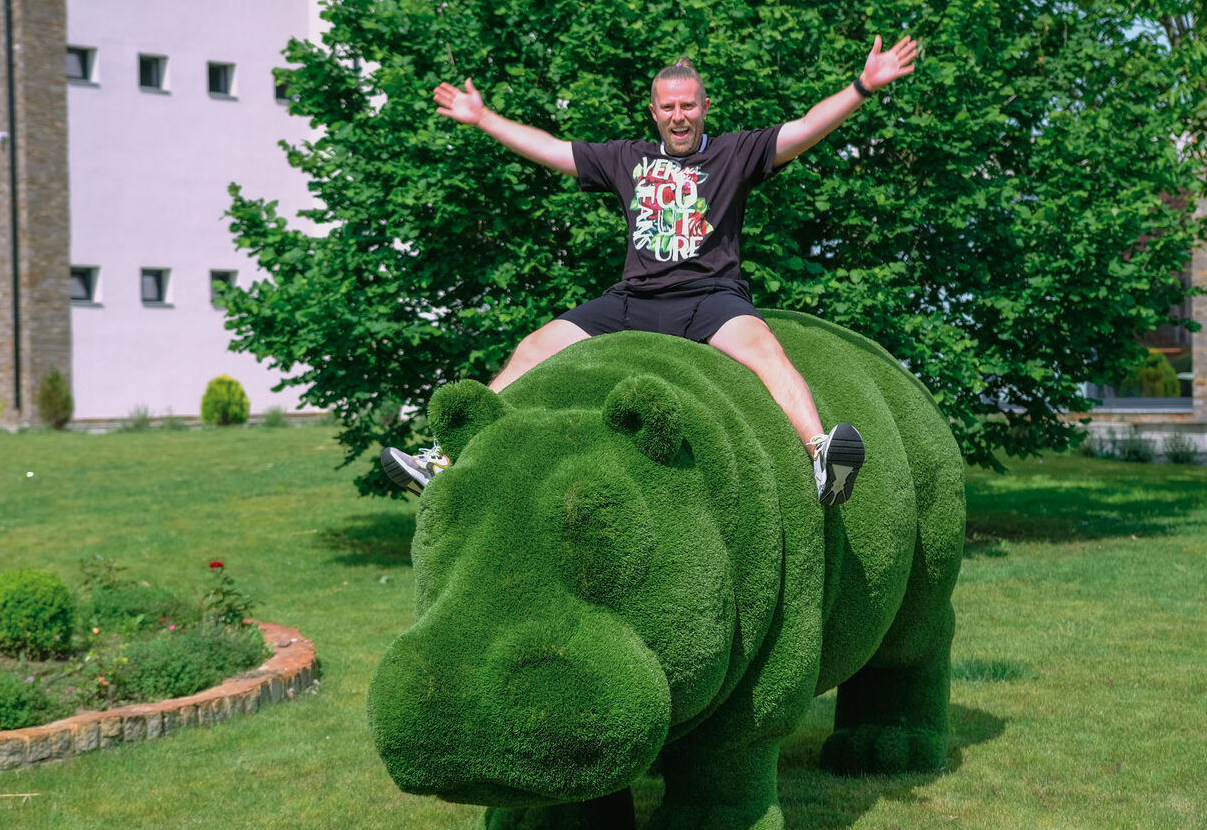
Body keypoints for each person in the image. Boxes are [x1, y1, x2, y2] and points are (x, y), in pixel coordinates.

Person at [383, 35, 919, 506]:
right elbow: (551, 150)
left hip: (710, 297)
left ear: (705, 107)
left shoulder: (735, 153)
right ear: (654, 111)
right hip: (632, 300)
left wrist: (862, 87)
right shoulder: (627, 158)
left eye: (688, 105)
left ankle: (821, 457)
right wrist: (483, 118)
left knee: (766, 351)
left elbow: (804, 129)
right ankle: (443, 459)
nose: (678, 115)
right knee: (532, 348)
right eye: (668, 107)